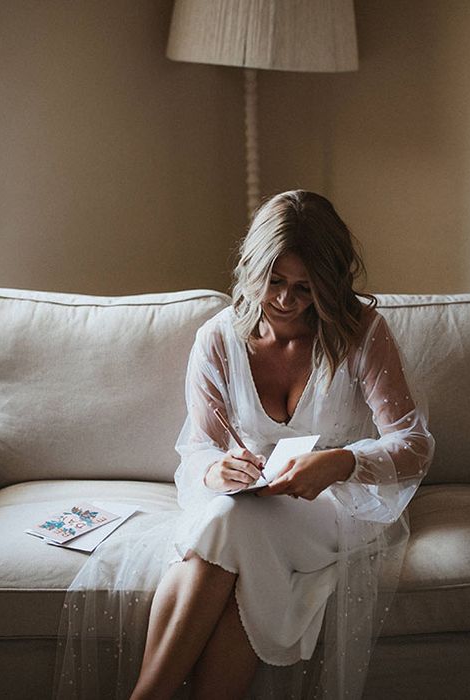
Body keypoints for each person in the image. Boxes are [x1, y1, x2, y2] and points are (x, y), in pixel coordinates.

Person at [55, 190, 434, 700]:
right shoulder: (218, 339)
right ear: (253, 270)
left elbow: (414, 446)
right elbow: (198, 453)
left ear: (331, 283)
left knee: (228, 528)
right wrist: (219, 471)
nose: (285, 300)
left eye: (306, 287)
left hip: (339, 507)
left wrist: (343, 462)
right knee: (233, 527)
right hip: (248, 506)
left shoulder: (361, 333)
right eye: (274, 282)